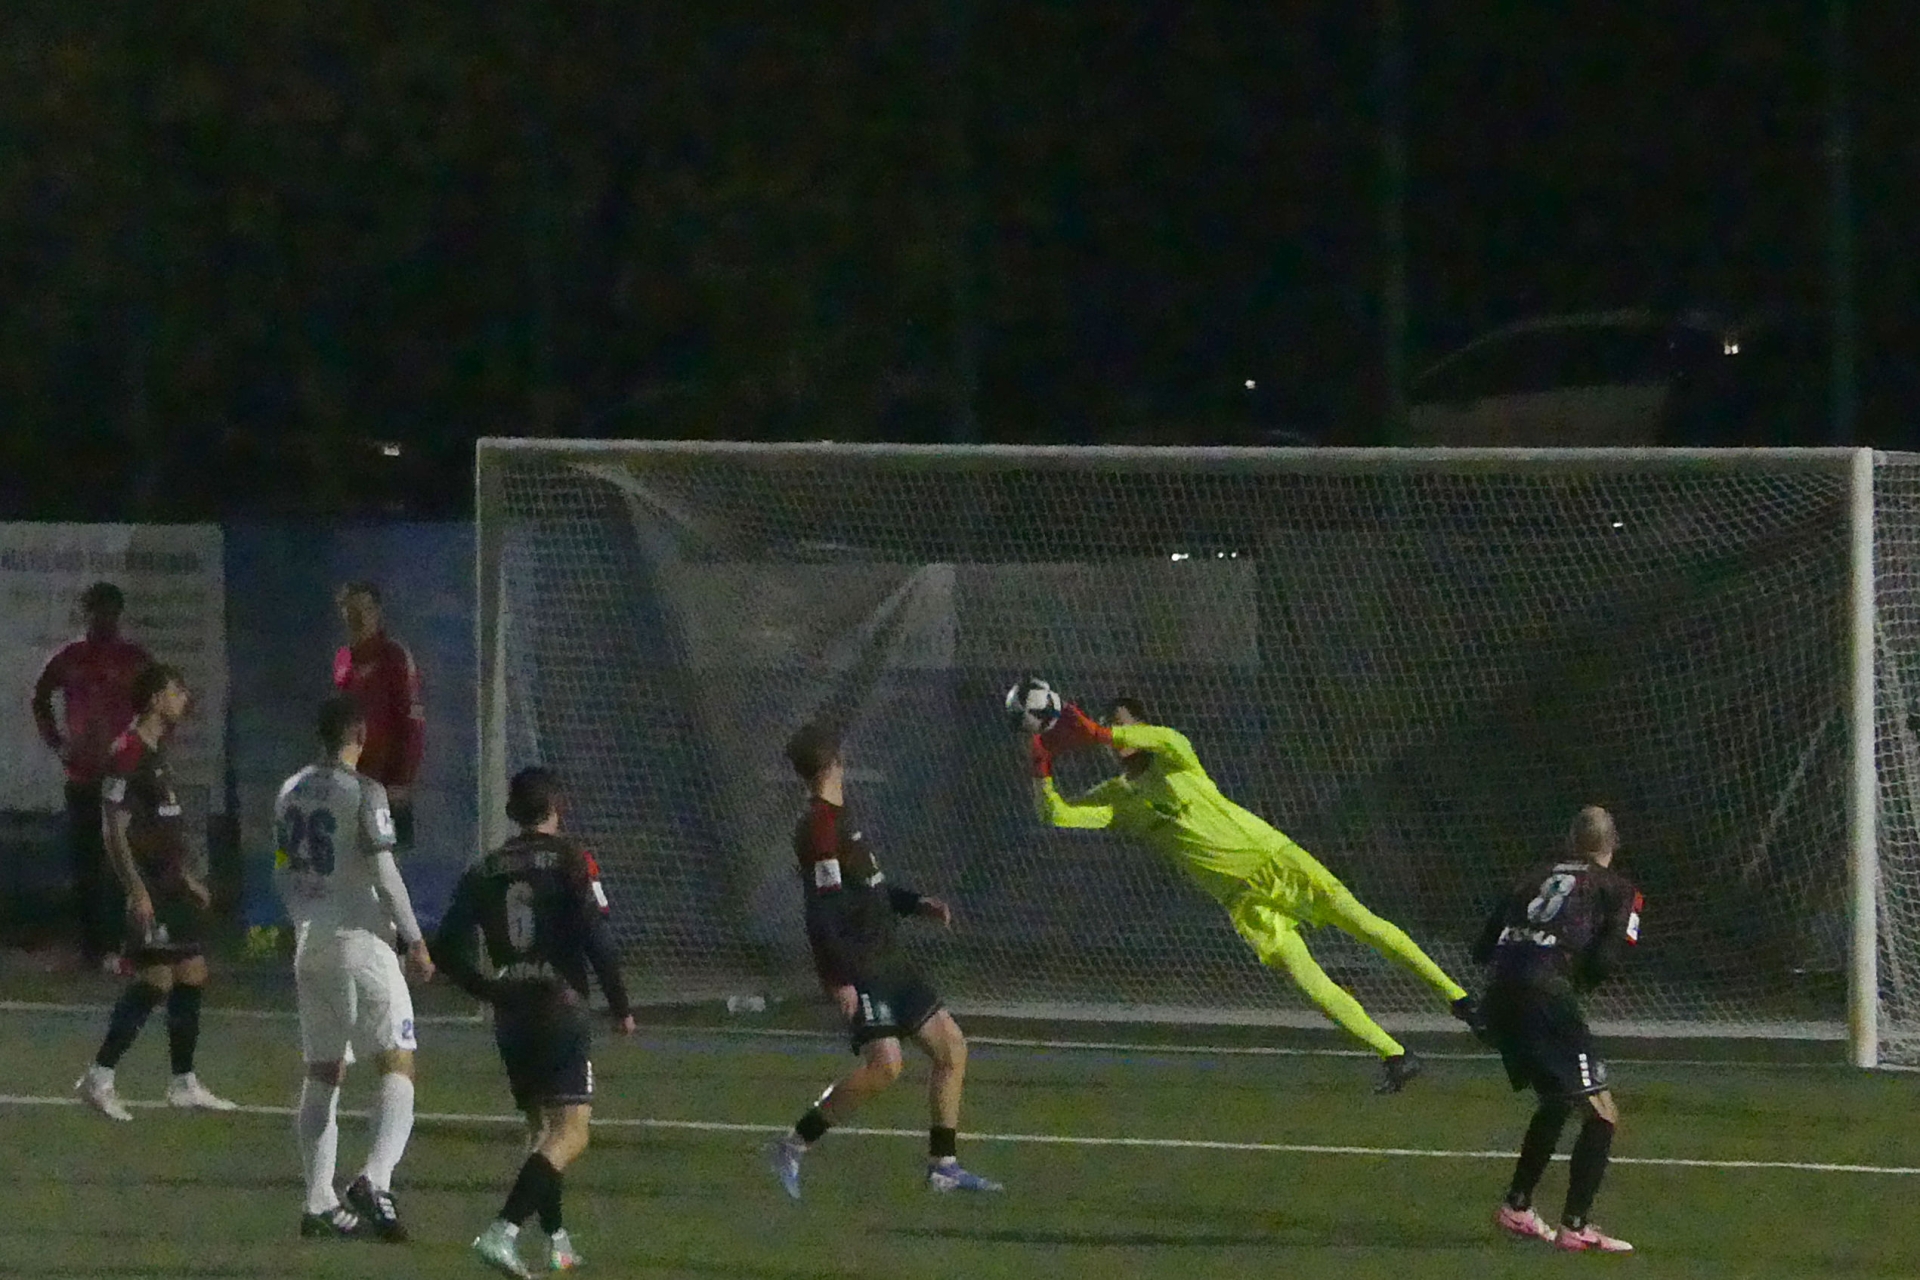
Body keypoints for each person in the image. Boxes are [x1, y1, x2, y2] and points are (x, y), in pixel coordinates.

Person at [1029, 695, 1479, 1092]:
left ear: (1142, 727)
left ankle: (1460, 1000)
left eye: (1125, 725)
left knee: (1366, 925)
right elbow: (1058, 816)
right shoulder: (1117, 798)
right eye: (1112, 727)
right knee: (1308, 981)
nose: (1118, 736)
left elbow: (1161, 738)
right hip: (1243, 902)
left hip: (1277, 861)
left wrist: (1100, 732)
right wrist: (1042, 769)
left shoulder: (1175, 755)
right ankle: (1395, 1054)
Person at [768, 724, 1001, 1199]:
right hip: (862, 968)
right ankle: (792, 1145)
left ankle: (944, 1165)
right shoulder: (820, 827)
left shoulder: (840, 818)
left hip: (890, 960)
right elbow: (823, 910)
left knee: (951, 1048)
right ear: (835, 763)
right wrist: (840, 979)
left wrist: (915, 903)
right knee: (885, 1067)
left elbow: (867, 891)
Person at [435, 767, 635, 1279]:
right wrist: (620, 1004)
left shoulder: (485, 869)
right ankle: (502, 1231)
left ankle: (556, 1241)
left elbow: (447, 949)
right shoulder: (572, 859)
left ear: (512, 812)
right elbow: (596, 937)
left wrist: (489, 991)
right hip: (558, 1005)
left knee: (543, 1131)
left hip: (512, 1013)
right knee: (572, 1133)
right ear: (557, 807)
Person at [274, 696, 434, 1242]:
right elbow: (385, 873)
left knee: (324, 1072)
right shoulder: (364, 791)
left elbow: (282, 866)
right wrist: (415, 940)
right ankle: (375, 1178)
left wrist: (303, 918)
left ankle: (318, 1200)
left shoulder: (290, 789)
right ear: (360, 735)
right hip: (360, 942)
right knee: (397, 1061)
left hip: (310, 944)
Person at [73, 664, 237, 1120]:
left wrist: (186, 880)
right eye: (175, 691)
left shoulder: (156, 753)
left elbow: (159, 828)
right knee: (156, 978)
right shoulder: (127, 752)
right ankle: (99, 1077)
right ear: (153, 700)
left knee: (192, 971)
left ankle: (183, 1082)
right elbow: (114, 829)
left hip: (169, 884)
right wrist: (136, 889)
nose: (183, 699)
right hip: (147, 886)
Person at [1476, 806, 1641, 1254]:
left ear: (1571, 840)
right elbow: (1605, 960)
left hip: (1499, 995)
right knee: (1601, 1112)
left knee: (1557, 1098)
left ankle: (1518, 1206)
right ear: (1614, 843)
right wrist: (1572, 982)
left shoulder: (1531, 877)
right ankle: (1576, 1227)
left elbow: (1483, 947)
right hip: (1545, 994)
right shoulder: (1618, 889)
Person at [31, 581, 153, 970]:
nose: (103, 618)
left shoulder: (134, 659)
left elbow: (159, 703)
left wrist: (143, 750)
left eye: (109, 611)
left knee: (124, 858)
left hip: (122, 774)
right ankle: (91, 947)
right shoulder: (70, 657)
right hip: (82, 774)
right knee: (86, 860)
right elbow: (40, 697)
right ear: (86, 613)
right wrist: (57, 742)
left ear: (119, 614)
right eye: (95, 611)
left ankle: (127, 943)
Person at [332, 582, 425, 849]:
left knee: (386, 861)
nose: (360, 618)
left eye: (367, 609)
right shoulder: (342, 659)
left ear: (378, 612)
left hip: (387, 786)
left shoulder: (395, 657)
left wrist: (401, 780)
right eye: (352, 610)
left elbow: (413, 724)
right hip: (350, 785)